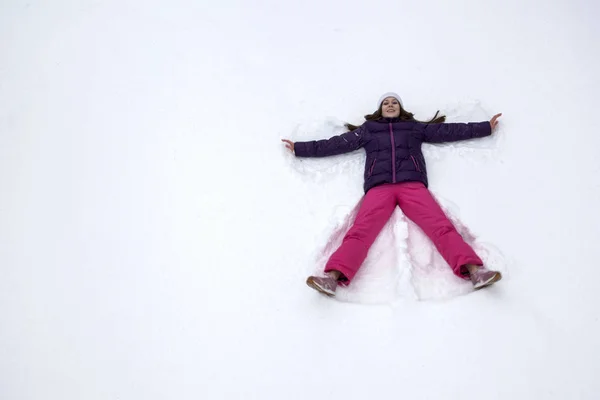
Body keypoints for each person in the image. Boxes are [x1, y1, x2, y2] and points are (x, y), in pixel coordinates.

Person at [282, 92, 503, 297]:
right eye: (386, 103)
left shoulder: (413, 128)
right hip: (379, 188)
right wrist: (300, 148)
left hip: (412, 186)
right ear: (380, 109)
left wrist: (485, 127)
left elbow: (448, 131)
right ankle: (331, 277)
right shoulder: (368, 130)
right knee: (360, 232)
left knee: (441, 227)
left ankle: (475, 272)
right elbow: (337, 144)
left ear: (400, 108)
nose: (390, 105)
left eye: (394, 103)